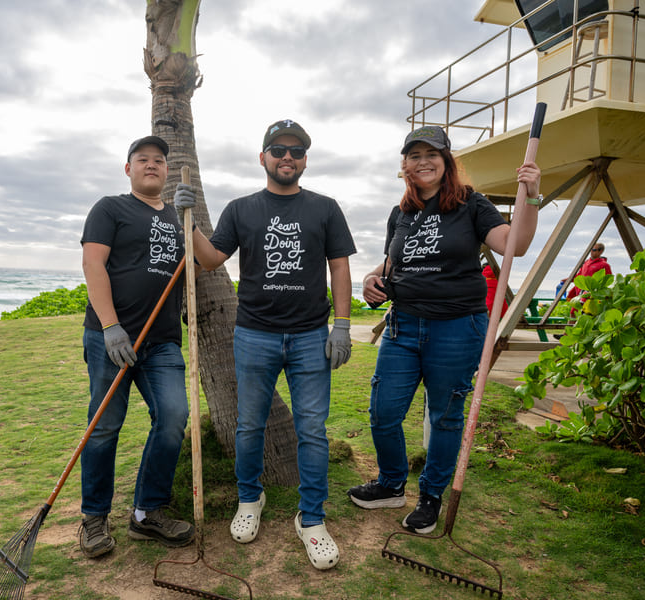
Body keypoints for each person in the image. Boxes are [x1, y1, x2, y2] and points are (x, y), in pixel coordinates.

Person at [173, 119, 355, 570]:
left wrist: (343, 325)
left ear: (305, 160)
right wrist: (187, 220)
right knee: (249, 426)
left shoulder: (326, 209)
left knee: (312, 430)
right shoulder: (241, 209)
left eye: (296, 151)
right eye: (278, 149)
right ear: (263, 158)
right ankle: (249, 500)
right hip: (254, 334)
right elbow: (212, 258)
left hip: (312, 335)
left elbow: (339, 268)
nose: (287, 157)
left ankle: (311, 520)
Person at [347, 125, 540, 534]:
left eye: (431, 154)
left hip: (457, 327)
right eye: (414, 156)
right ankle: (391, 483)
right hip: (403, 325)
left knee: (446, 417)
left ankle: (431, 497)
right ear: (405, 166)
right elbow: (393, 264)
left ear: (446, 160)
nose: (423, 162)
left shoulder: (471, 204)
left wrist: (533, 198)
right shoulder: (401, 213)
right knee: (383, 413)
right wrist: (370, 277)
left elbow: (514, 244)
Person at [77, 135, 194, 558]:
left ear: (166, 170)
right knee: (105, 425)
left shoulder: (179, 219)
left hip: (161, 343)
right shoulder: (110, 208)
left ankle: (147, 513)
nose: (151, 165)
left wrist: (188, 215)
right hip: (111, 338)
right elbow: (93, 263)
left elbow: (210, 259)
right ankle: (93, 518)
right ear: (128, 169)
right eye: (142, 159)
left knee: (173, 417)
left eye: (159, 160)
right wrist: (111, 327)